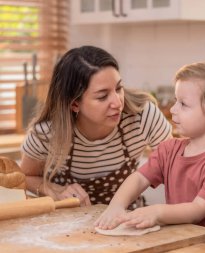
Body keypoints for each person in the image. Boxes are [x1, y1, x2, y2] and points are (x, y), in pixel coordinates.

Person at [94, 60, 205, 230]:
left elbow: (197, 210)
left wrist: (157, 212)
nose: (173, 109)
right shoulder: (169, 150)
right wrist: (116, 206)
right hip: (186, 239)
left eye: (183, 104)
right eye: (176, 100)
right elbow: (139, 179)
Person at [20, 45, 172, 207]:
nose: (117, 102)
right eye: (102, 96)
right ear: (74, 104)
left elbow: (174, 168)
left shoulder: (143, 116)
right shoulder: (47, 133)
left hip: (129, 218)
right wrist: (55, 190)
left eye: (118, 88)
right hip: (68, 224)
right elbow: (25, 177)